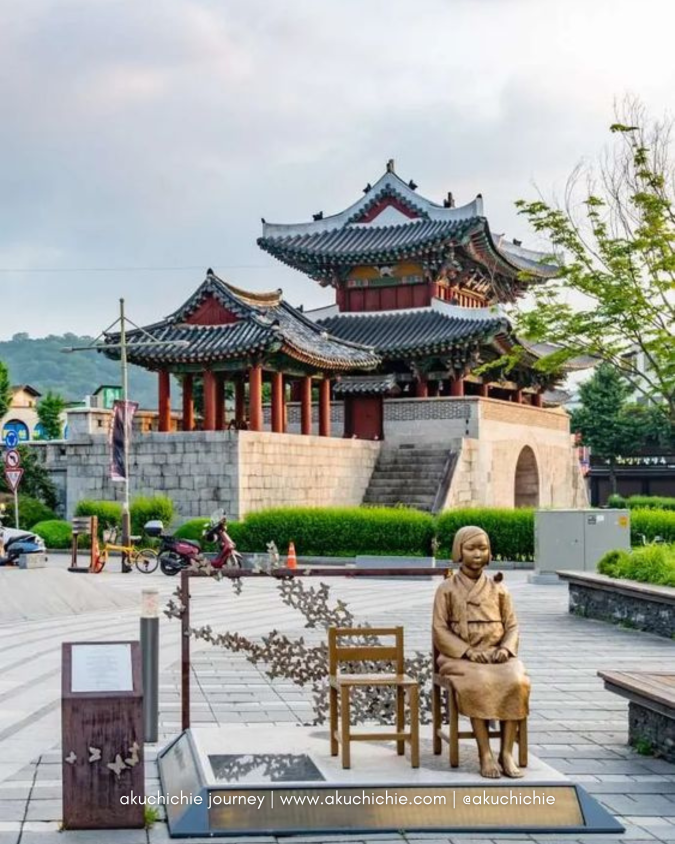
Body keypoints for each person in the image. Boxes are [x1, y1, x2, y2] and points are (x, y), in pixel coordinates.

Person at [432, 525, 530, 778]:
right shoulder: (447, 589)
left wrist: (505, 648)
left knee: (517, 681)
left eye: (482, 549)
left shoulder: (500, 589)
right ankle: (485, 753)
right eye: (471, 548)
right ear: (459, 551)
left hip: (497, 655)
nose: (477, 554)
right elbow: (439, 629)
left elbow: (512, 626)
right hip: (460, 658)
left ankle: (506, 753)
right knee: (479, 682)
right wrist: (467, 651)